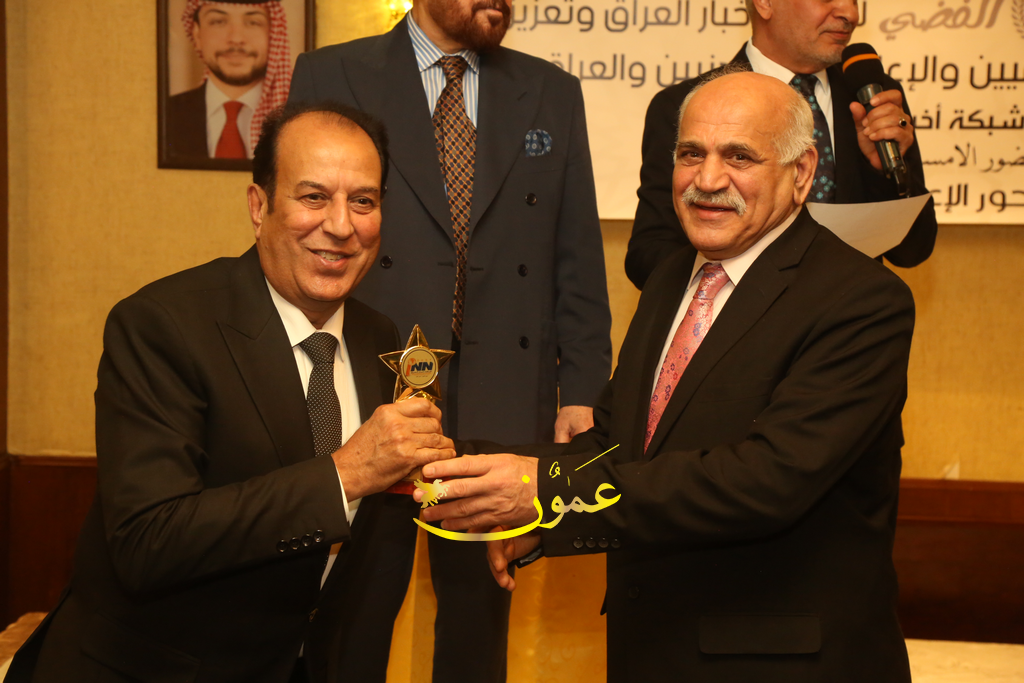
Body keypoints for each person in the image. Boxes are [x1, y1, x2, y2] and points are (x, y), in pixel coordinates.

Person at [420, 71, 916, 682]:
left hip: (783, 666)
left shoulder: (860, 301)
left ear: (801, 173)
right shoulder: (671, 280)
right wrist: (497, 489)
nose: (707, 180)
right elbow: (616, 446)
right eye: (690, 154)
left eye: (739, 157)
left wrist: (544, 492)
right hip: (653, 649)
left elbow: (765, 481)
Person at [8, 102, 455, 683]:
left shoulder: (380, 338)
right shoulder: (163, 325)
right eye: (314, 196)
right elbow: (147, 541)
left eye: (363, 201)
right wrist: (345, 474)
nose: (342, 225)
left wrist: (468, 507)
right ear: (259, 207)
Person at [287, 1, 612, 679]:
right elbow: (302, 240)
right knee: (351, 616)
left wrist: (582, 390)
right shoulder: (332, 74)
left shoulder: (551, 91)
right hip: (374, 390)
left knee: (477, 628)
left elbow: (576, 252)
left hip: (506, 396)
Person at [625, 0, 937, 289]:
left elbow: (913, 250)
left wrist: (883, 172)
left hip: (850, 319)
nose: (850, 14)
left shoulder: (872, 96)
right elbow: (649, 255)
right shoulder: (688, 106)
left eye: (854, 0)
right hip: (739, 323)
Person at [166, 0, 292, 161]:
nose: (236, 38)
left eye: (253, 22)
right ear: (197, 35)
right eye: (218, 22)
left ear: (274, 34)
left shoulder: (301, 117)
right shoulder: (163, 115)